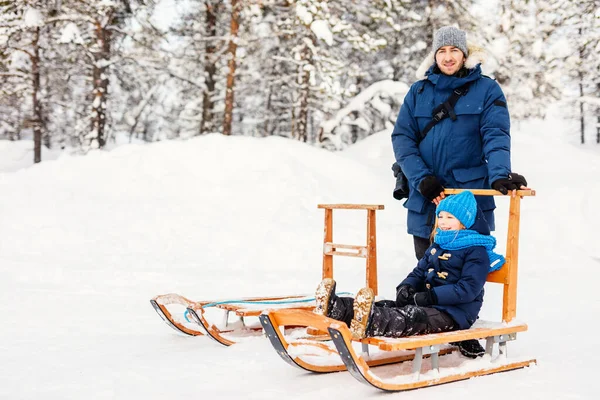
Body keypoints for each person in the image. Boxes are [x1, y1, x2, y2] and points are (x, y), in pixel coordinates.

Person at [390, 26, 528, 262]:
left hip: (469, 198)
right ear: (434, 55)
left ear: (465, 54)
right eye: (441, 50)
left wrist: (499, 174)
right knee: (428, 270)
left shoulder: (487, 90)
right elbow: (403, 139)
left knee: (467, 274)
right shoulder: (418, 91)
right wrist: (422, 179)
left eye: (454, 50)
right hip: (428, 198)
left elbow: (496, 136)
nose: (447, 57)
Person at [314, 191, 504, 358]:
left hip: (454, 313)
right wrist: (407, 287)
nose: (444, 222)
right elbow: (419, 271)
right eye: (441, 217)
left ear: (464, 222)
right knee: (388, 306)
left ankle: (370, 322)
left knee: (410, 316)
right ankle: (339, 308)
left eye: (450, 218)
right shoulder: (439, 244)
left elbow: (468, 289)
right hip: (428, 302)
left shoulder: (476, 251)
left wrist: (429, 297)